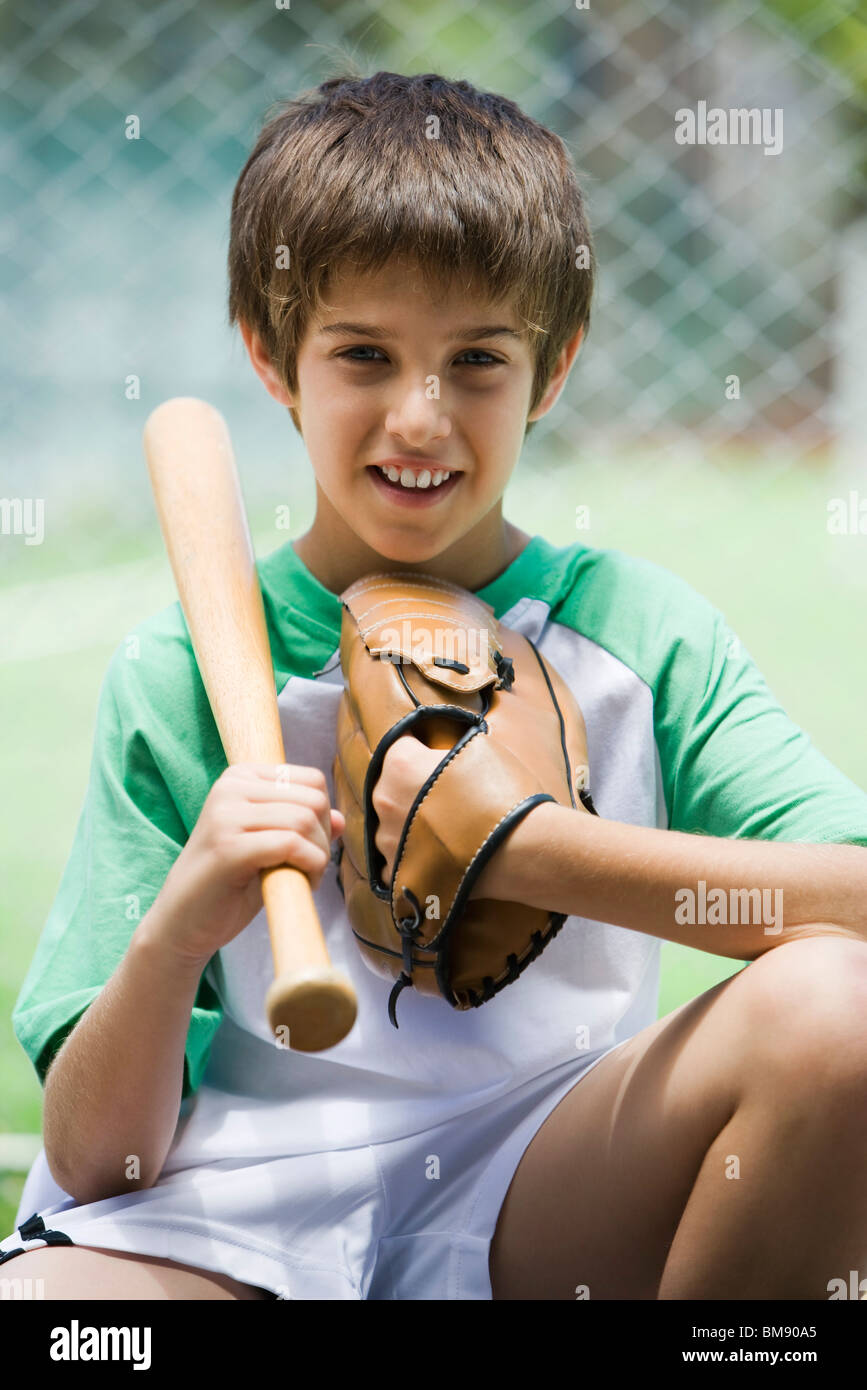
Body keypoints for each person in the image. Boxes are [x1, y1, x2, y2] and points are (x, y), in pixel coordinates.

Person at [3, 70, 867, 1302]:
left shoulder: (637, 633)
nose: (421, 416)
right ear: (273, 357)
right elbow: (102, 1155)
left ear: (551, 370)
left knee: (843, 1009)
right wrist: (178, 927)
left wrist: (532, 847)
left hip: (542, 1190)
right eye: (363, 353)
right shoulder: (184, 671)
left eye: (477, 360)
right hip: (226, 1215)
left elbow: (856, 913)